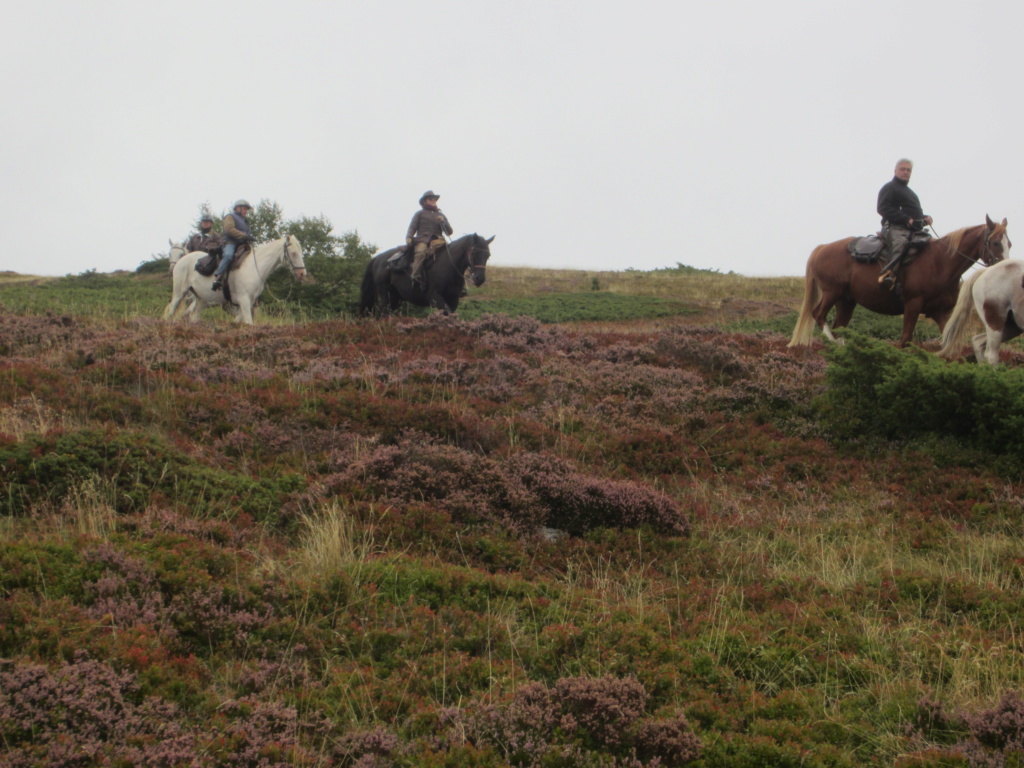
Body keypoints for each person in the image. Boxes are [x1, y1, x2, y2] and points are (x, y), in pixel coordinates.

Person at [877, 158, 933, 288]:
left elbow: (914, 215)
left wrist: (925, 218)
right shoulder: (889, 187)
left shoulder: (911, 193)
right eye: (902, 169)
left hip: (912, 230)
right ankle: (888, 275)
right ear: (895, 171)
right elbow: (882, 208)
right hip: (894, 227)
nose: (906, 172)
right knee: (901, 243)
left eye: (908, 170)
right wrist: (905, 219)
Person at [406, 190, 453, 288]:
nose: (433, 200)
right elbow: (412, 227)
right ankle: (415, 275)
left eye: (434, 199)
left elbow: (449, 232)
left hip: (438, 241)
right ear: (424, 201)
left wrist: (443, 222)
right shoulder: (419, 213)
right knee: (420, 252)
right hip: (423, 240)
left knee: (452, 253)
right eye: (430, 199)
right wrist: (409, 237)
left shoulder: (441, 215)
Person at [213, 199, 256, 292]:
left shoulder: (245, 222)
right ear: (238, 208)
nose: (246, 211)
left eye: (247, 209)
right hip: (230, 243)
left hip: (242, 244)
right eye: (245, 209)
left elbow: (246, 234)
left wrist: (250, 238)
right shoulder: (230, 217)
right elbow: (229, 229)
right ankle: (218, 276)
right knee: (228, 256)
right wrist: (244, 235)